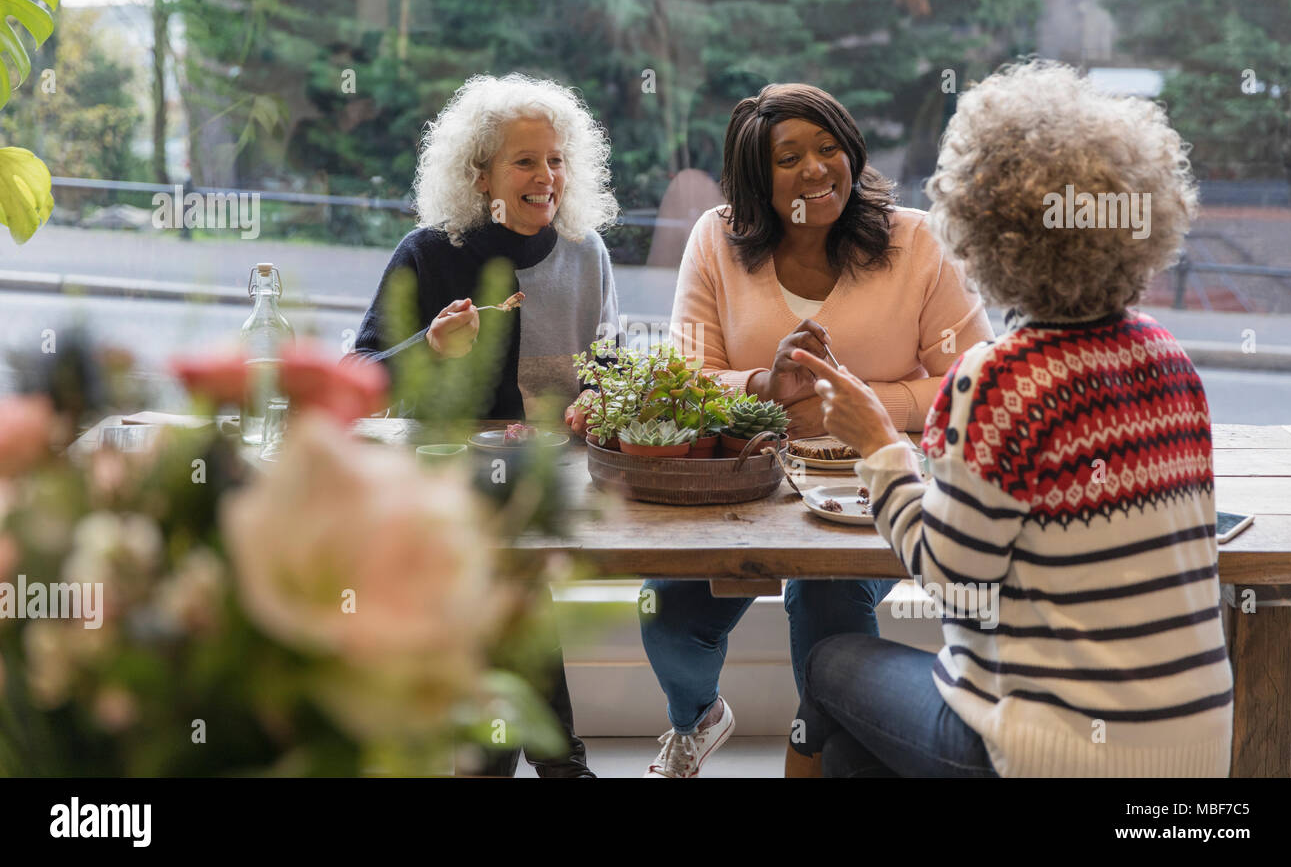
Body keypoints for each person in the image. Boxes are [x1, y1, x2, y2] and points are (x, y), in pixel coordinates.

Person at [788, 60, 1232, 777]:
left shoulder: (1003, 377)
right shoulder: (1167, 355)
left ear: (982, 233)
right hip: (1196, 752)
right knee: (847, 757)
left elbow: (950, 581)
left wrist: (877, 447)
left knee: (828, 661)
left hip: (1045, 755)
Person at [639, 83, 994, 777]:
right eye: (789, 156)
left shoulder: (914, 240)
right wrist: (765, 389)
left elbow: (973, 380)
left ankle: (819, 749)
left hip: (872, 484)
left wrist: (860, 404)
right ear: (754, 177)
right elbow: (685, 378)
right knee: (668, 609)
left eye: (829, 147)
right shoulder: (715, 238)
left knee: (827, 601)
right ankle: (697, 718)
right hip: (744, 481)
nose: (816, 169)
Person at [353, 72, 622, 777]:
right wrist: (430, 349)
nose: (547, 177)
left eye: (557, 159)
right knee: (508, 582)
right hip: (446, 485)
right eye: (525, 161)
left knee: (509, 584)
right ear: (480, 175)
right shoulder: (429, 252)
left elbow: (610, 375)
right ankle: (561, 765)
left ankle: (515, 767)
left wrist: (599, 401)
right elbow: (359, 377)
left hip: (550, 483)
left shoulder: (585, 252)